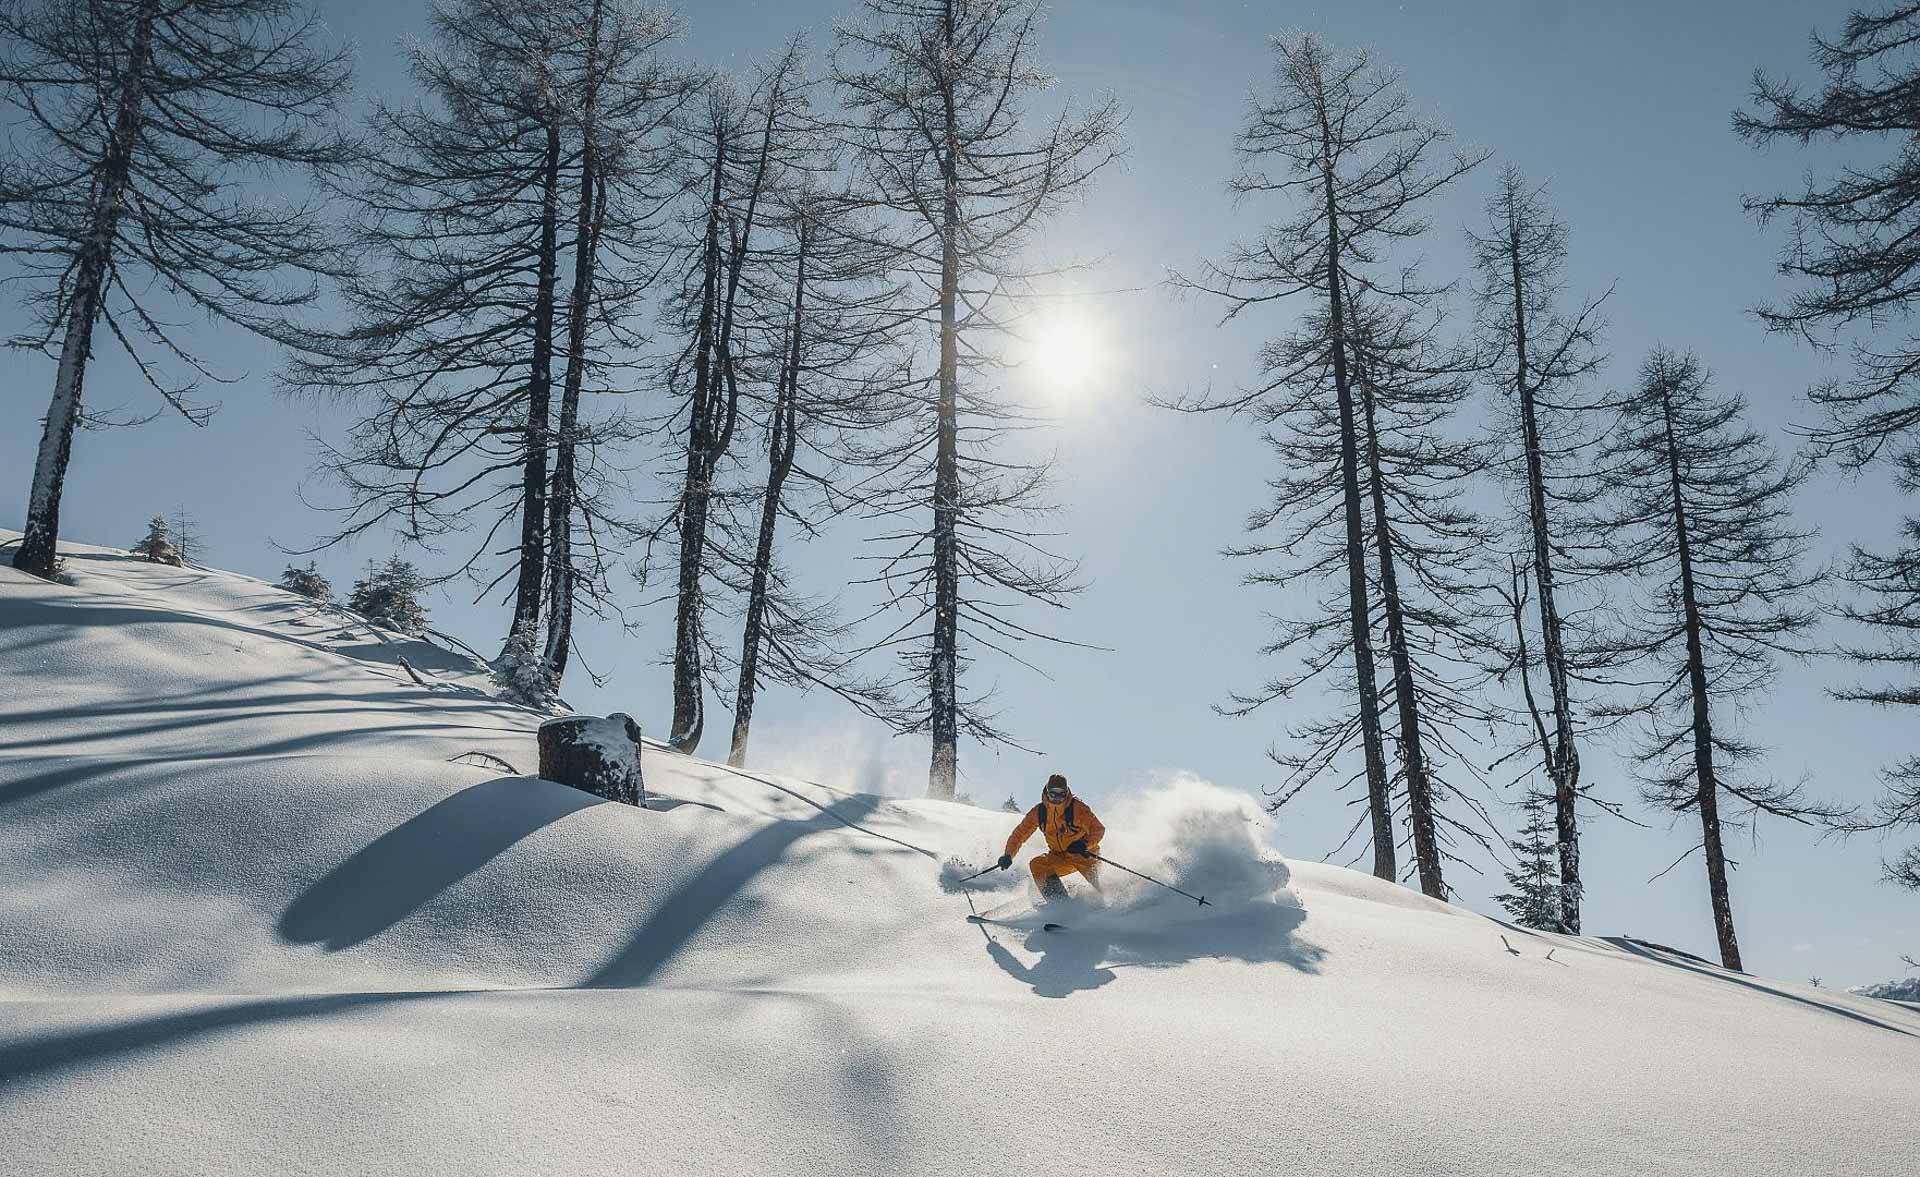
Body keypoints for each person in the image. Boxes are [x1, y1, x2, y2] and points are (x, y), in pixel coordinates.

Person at [997, 773, 1105, 901]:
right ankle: (1059, 903)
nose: (1057, 798)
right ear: (1047, 792)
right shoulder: (1039, 812)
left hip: (1084, 855)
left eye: (1061, 794)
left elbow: (1098, 829)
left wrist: (1085, 844)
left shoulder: (1077, 809)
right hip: (1059, 856)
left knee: (1102, 888)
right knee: (1038, 864)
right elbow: (1019, 834)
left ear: (1066, 793)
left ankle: (1117, 907)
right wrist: (1008, 854)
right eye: (1053, 794)